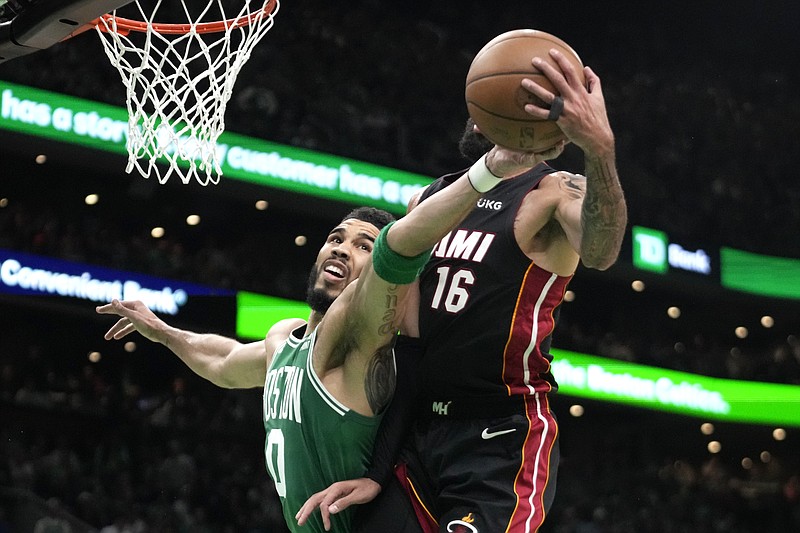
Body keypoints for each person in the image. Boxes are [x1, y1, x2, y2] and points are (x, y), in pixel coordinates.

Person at [96, 144, 558, 532]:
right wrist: (163, 332)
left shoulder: (358, 341)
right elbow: (224, 361)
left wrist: (487, 173)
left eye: (363, 245)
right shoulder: (284, 340)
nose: (343, 248)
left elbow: (395, 258)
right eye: (337, 238)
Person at [296, 47, 627, 533]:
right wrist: (378, 471)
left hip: (501, 437)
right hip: (422, 434)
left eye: (506, 106)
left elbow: (601, 250)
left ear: (533, 131)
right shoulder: (429, 200)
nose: (478, 114)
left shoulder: (554, 192)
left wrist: (599, 148)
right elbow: (405, 348)